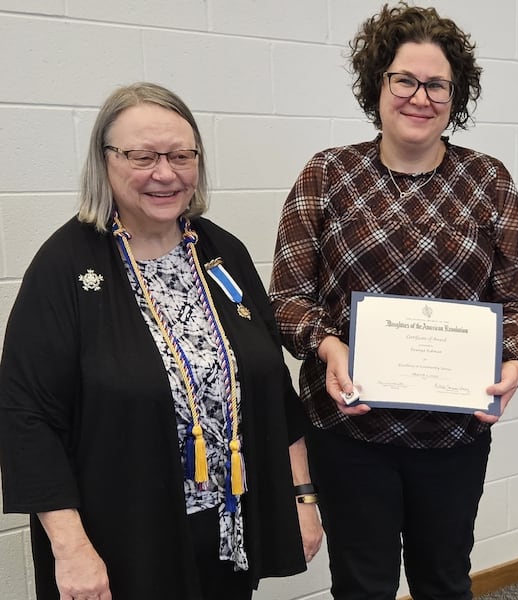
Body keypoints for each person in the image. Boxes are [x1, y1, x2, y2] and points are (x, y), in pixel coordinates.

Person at [0, 82, 323, 600]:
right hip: (121, 538)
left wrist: (302, 496)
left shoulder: (221, 251)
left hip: (228, 527)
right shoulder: (64, 267)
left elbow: (269, 383)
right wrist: (71, 549)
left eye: (180, 155)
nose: (165, 173)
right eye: (142, 156)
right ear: (104, 162)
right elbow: (27, 417)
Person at [269, 3, 518, 599]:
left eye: (437, 84)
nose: (421, 97)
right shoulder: (328, 175)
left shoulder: (489, 181)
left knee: (444, 581)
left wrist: (514, 362)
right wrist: (328, 342)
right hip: (349, 435)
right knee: (362, 586)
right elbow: (287, 298)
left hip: (453, 437)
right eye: (405, 80)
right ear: (379, 84)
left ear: (456, 94)